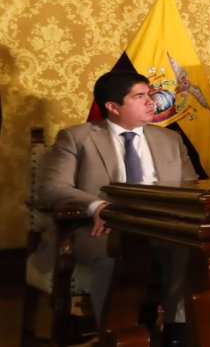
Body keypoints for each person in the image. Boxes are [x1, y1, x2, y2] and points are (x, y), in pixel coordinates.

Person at [35, 71, 198, 347]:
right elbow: (51, 188)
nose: (152, 102)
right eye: (140, 96)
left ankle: (176, 333)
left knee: (189, 251)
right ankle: (116, 336)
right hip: (99, 229)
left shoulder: (171, 140)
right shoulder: (77, 138)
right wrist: (96, 205)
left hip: (162, 228)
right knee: (118, 255)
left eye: (150, 94)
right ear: (113, 106)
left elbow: (192, 188)